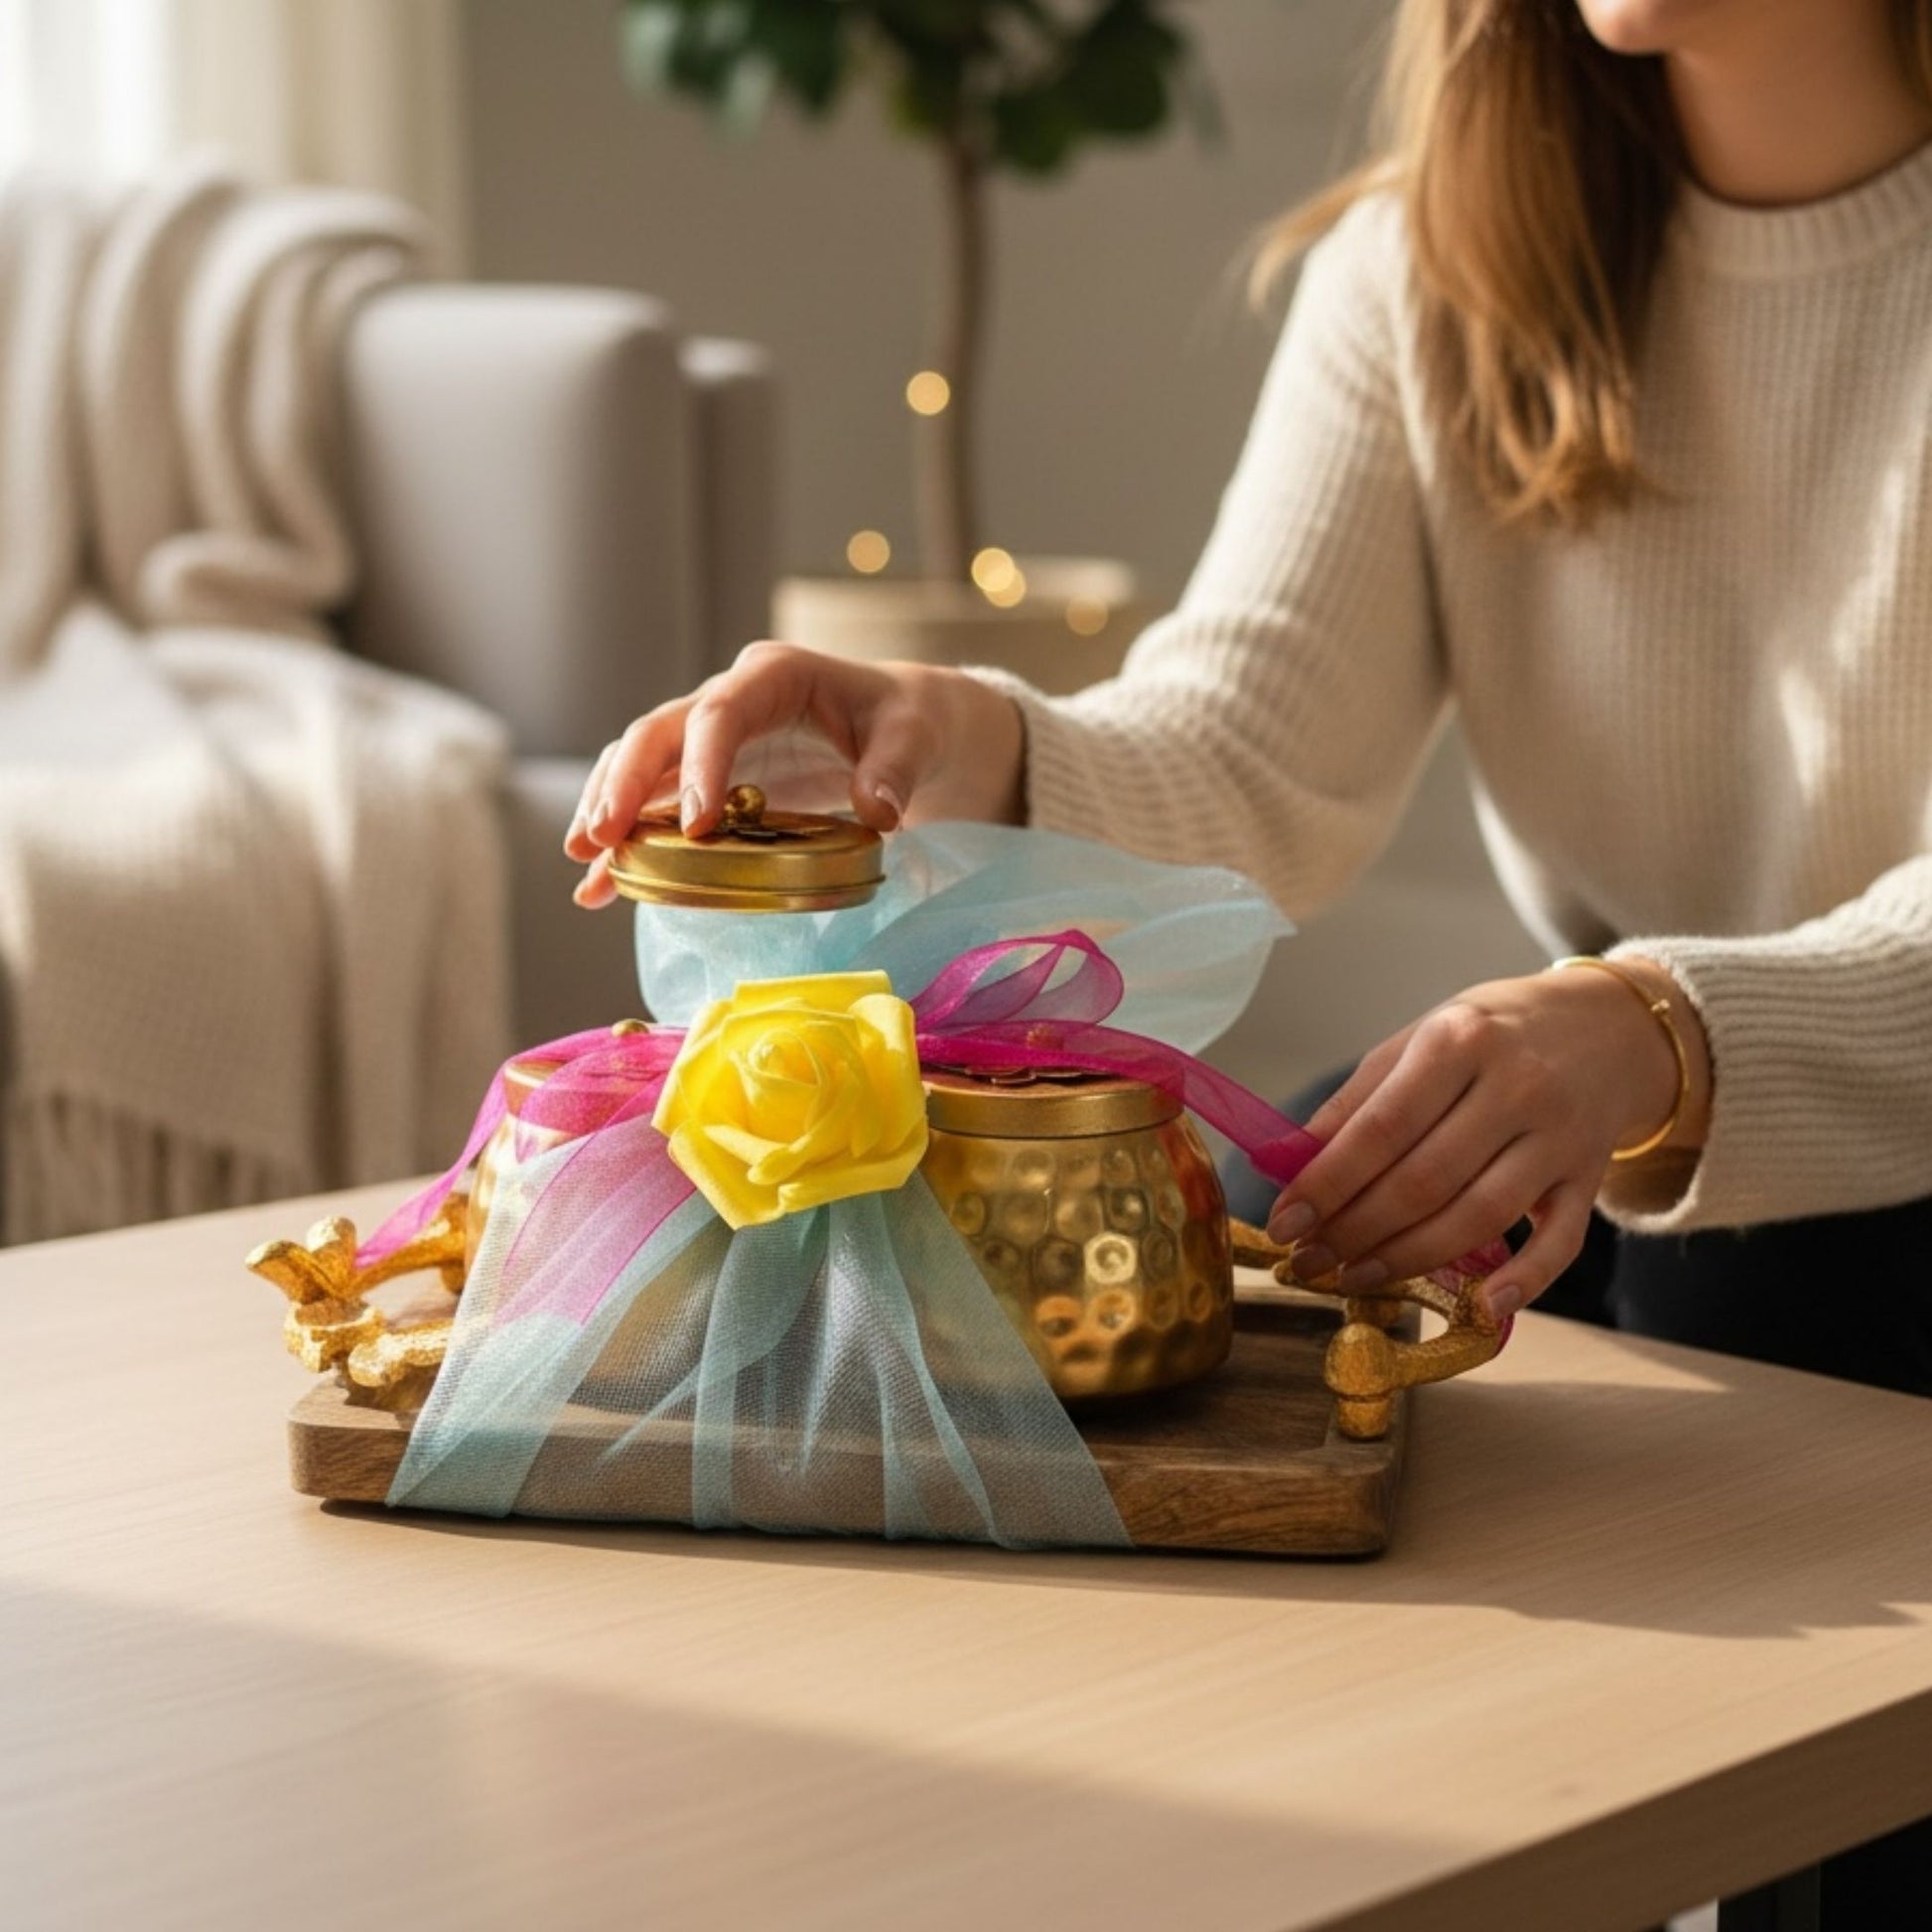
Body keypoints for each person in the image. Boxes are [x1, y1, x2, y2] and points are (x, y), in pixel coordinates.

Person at [570, 0, 1932, 1908]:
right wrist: (953, 730)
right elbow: (1249, 750)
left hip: (1821, 1168)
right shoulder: (1431, 262)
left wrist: (1658, 1030)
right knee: (1161, 1255)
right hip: (1624, 1127)